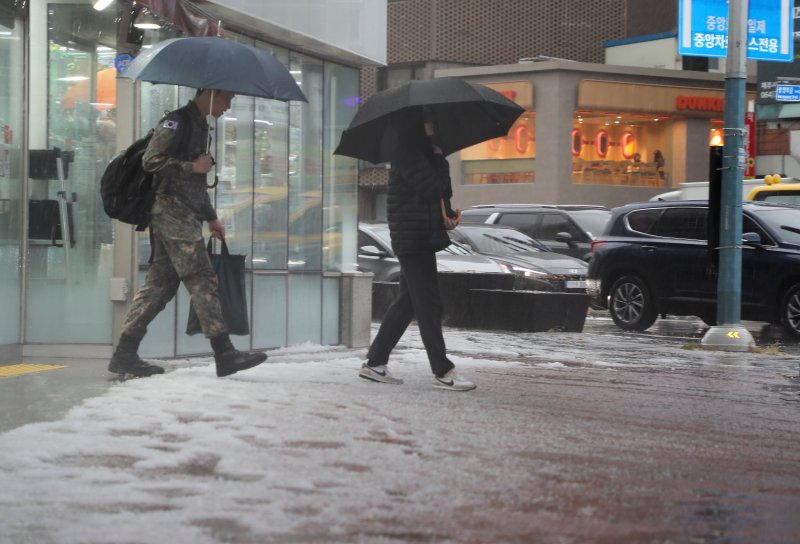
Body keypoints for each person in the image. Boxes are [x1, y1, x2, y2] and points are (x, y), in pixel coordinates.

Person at [108, 89, 267, 378]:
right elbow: (151, 160)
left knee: (160, 287)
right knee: (202, 277)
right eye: (226, 98)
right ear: (210, 93)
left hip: (185, 214)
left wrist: (211, 217)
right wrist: (191, 165)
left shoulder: (202, 127)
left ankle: (124, 355)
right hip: (170, 212)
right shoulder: (176, 122)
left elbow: (195, 184)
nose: (229, 105)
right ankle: (224, 353)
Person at [358, 108, 476, 391]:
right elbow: (433, 186)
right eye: (427, 121)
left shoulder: (416, 153)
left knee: (409, 303)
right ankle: (443, 370)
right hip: (413, 240)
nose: (432, 125)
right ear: (413, 125)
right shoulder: (408, 154)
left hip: (418, 237)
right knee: (428, 304)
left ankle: (375, 362)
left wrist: (437, 161)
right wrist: (438, 157)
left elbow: (438, 190)